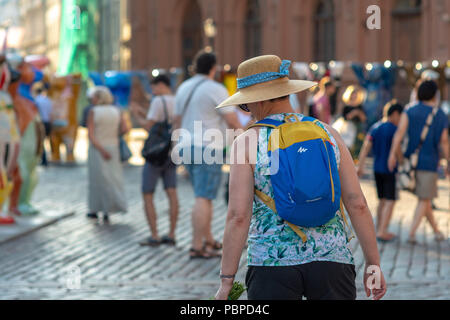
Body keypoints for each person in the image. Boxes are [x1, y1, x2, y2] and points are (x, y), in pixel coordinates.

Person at [215, 55, 386, 301]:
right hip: (332, 259)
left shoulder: (247, 142)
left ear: (258, 100)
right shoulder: (327, 133)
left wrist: (227, 280)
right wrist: (373, 263)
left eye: (246, 104)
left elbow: (238, 217)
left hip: (272, 261)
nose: (248, 111)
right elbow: (356, 202)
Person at [173, 50, 242, 259]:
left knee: (203, 196)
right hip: (207, 147)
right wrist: (248, 138)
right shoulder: (215, 89)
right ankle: (196, 245)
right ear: (213, 68)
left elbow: (176, 120)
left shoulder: (184, 87)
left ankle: (209, 239)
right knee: (203, 197)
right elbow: (231, 120)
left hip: (186, 145)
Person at [388, 80, 449, 244]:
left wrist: (392, 155)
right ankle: (412, 233)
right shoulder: (440, 114)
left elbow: (399, 134)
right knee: (425, 198)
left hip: (411, 161)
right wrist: (448, 160)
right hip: (430, 162)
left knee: (425, 198)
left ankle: (436, 231)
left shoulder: (409, 110)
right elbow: (444, 141)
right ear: (435, 94)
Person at [132, 75, 179, 246]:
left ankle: (155, 235)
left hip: (155, 154)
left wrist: (137, 115)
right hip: (172, 151)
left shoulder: (159, 101)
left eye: (153, 88)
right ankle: (172, 233)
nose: (152, 92)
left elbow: (149, 126)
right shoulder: (177, 100)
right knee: (172, 192)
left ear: (161, 85)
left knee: (148, 193)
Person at [358, 101, 404, 242]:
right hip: (390, 169)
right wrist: (402, 161)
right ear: (395, 114)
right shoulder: (395, 129)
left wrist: (361, 165)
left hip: (377, 168)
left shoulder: (375, 127)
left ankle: (379, 228)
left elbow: (366, 146)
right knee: (390, 200)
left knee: (382, 200)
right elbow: (397, 150)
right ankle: (383, 231)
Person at [86, 86, 129, 221]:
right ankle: (109, 208)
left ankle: (96, 208)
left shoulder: (94, 111)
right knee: (113, 178)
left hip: (98, 149)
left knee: (97, 179)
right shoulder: (117, 111)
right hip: (113, 147)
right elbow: (125, 129)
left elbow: (91, 135)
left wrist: (101, 149)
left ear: (98, 98)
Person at [35, 87, 53, 166]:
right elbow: (50, 113)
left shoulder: (36, 100)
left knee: (41, 142)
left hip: (41, 122)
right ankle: (46, 158)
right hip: (48, 122)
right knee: (46, 141)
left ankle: (44, 159)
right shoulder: (48, 100)